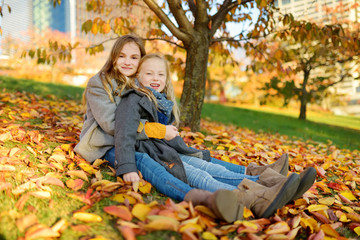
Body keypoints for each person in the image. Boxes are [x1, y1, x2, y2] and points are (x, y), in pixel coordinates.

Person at [74, 35, 315, 222]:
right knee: (155, 163)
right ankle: (238, 193)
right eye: (122, 56)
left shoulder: (141, 84)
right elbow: (114, 125)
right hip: (106, 144)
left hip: (143, 141)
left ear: (140, 63)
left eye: (134, 57)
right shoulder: (100, 83)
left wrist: (165, 132)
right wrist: (159, 132)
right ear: (113, 58)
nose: (127, 61)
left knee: (192, 156)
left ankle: (262, 179)